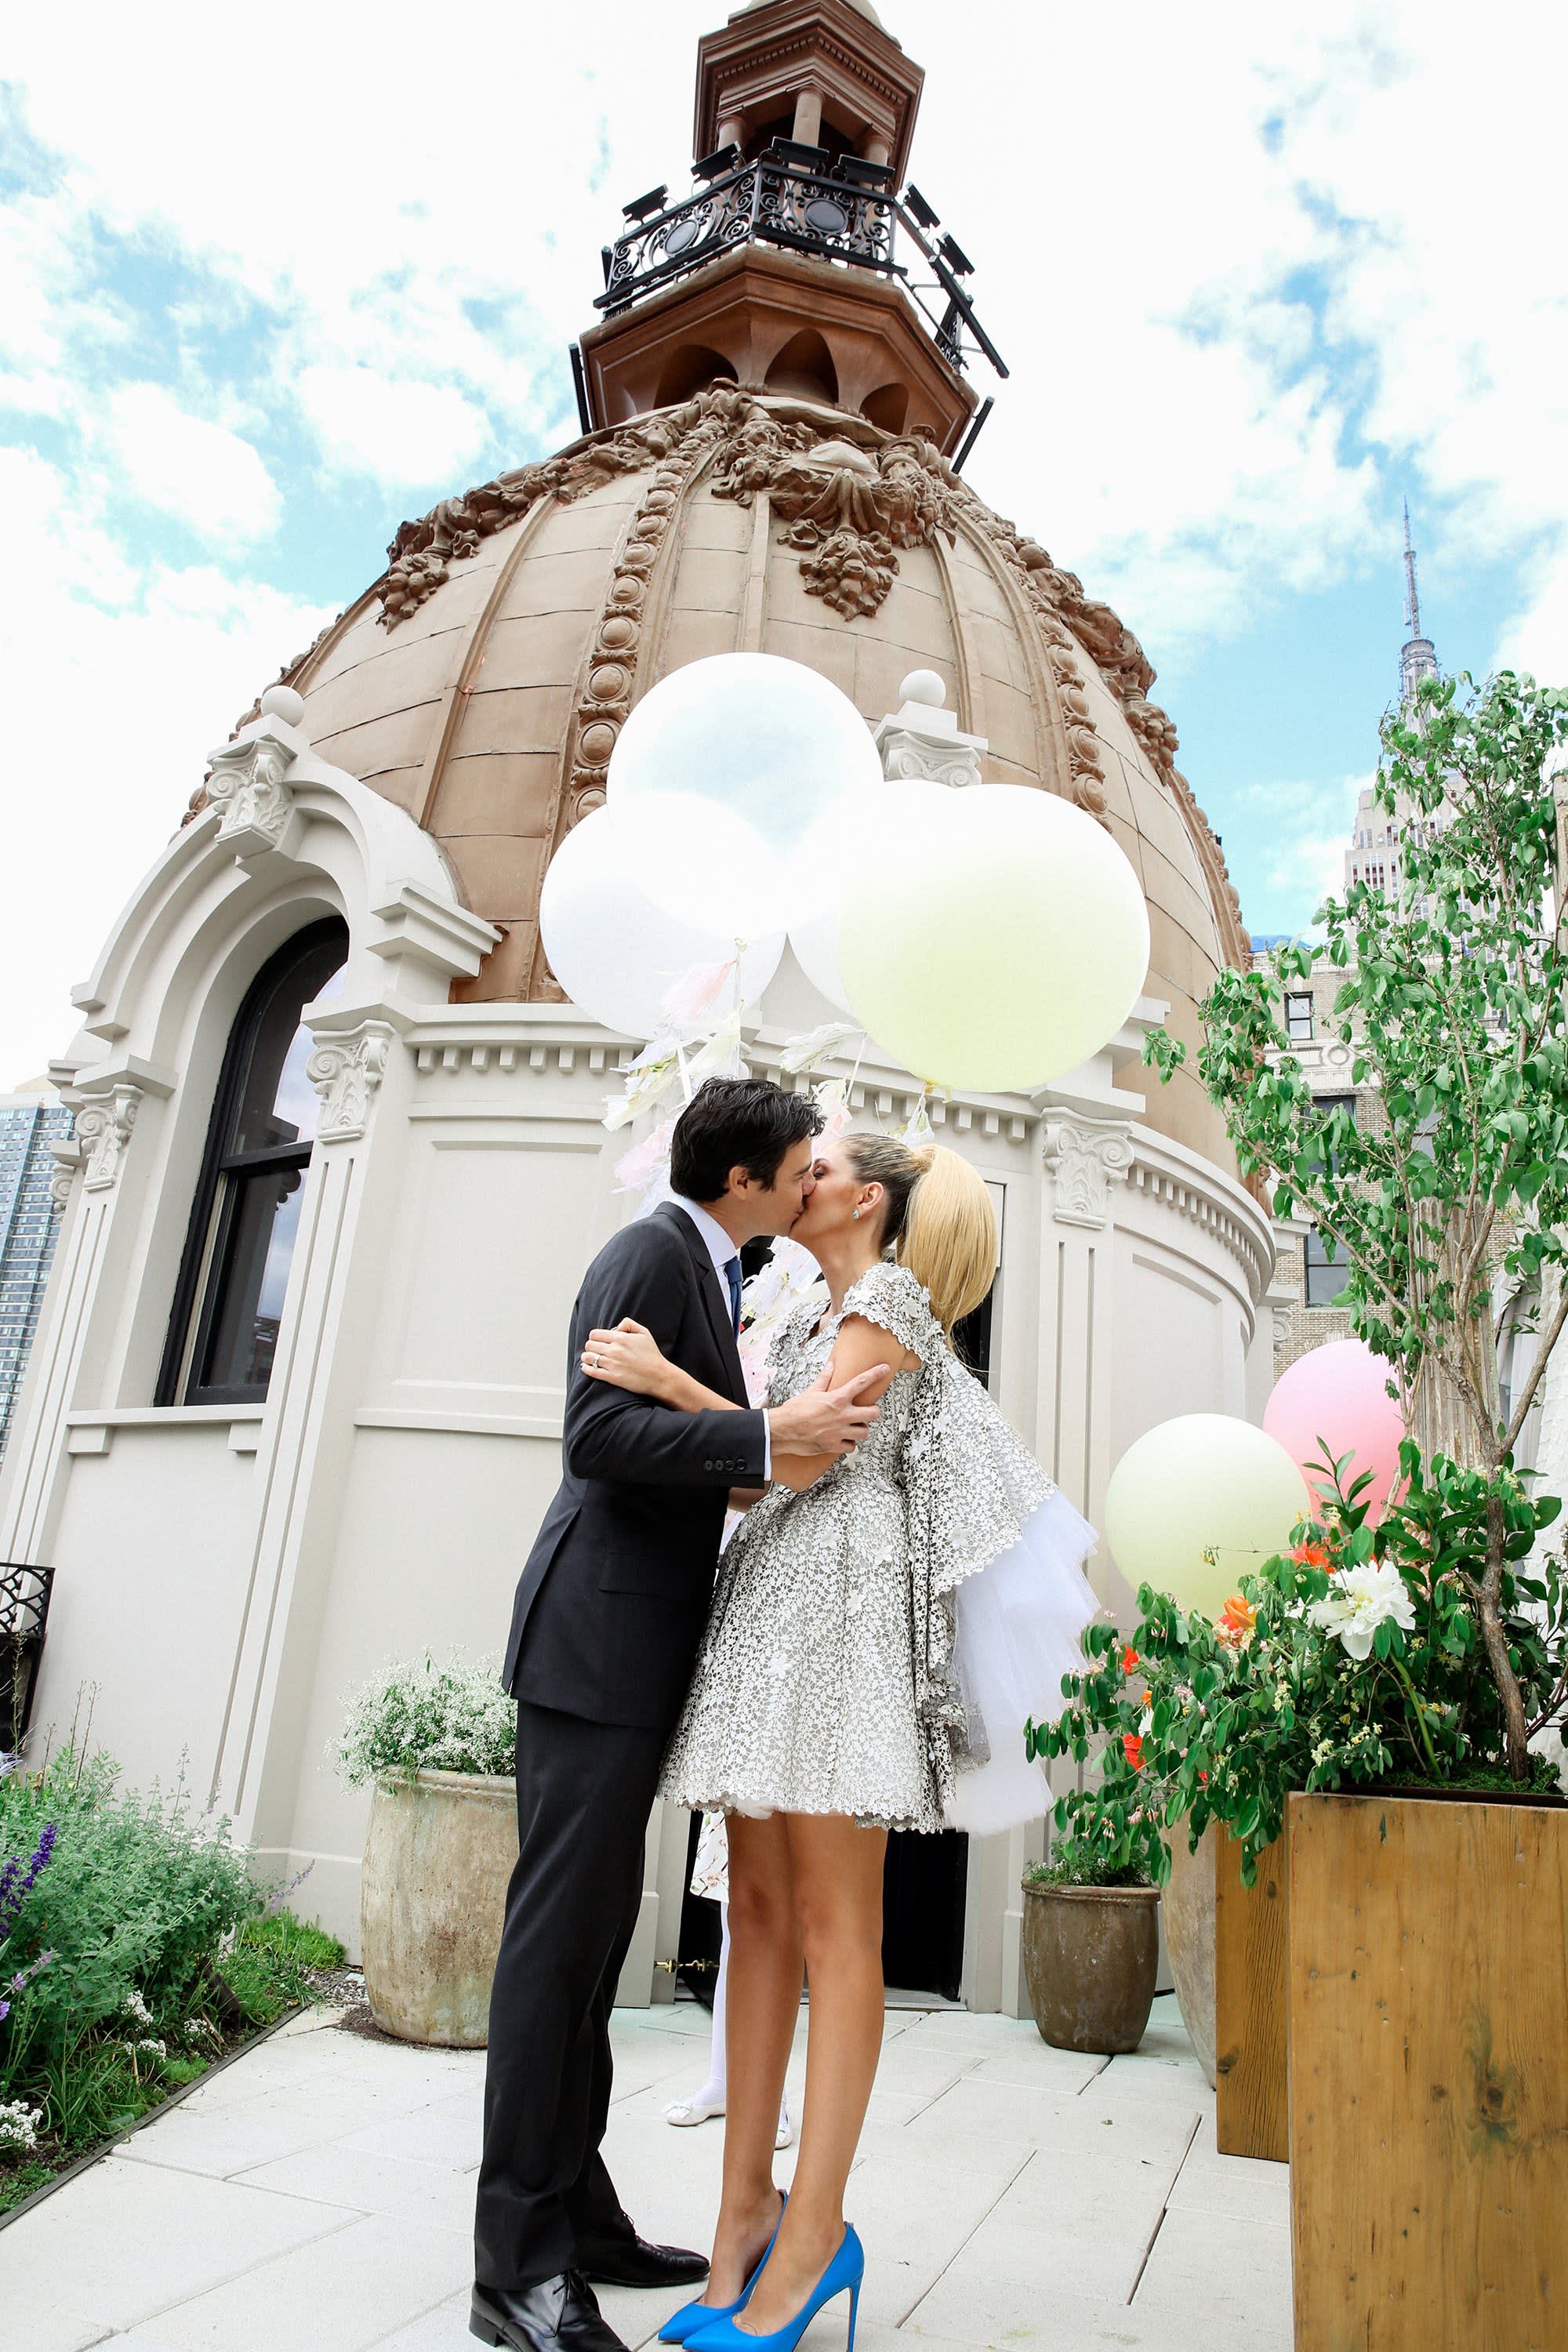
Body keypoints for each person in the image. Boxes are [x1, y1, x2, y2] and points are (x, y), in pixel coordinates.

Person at [578, 1131, 1098, 2352]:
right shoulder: (811, 1309)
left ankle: (815, 2233)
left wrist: (666, 1385)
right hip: (772, 1602)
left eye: (822, 1169)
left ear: (866, 1199)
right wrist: (711, 1411)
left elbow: (802, 1459)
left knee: (831, 1927)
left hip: (845, 1619)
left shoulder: (892, 1301)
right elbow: (763, 1475)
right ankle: (740, 2218)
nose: (797, 1179)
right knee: (749, 1918)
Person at [472, 1080, 887, 2352]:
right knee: (554, 1956)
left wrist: (751, 1433)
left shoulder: (710, 1266)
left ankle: (580, 2213)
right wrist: (764, 1433)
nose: (813, 1177)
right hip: (592, 1648)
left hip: (633, 1654)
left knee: (595, 1950)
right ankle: (517, 2274)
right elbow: (595, 1436)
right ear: (748, 1183)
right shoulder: (651, 1249)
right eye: (799, 1164)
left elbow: (684, 1436)